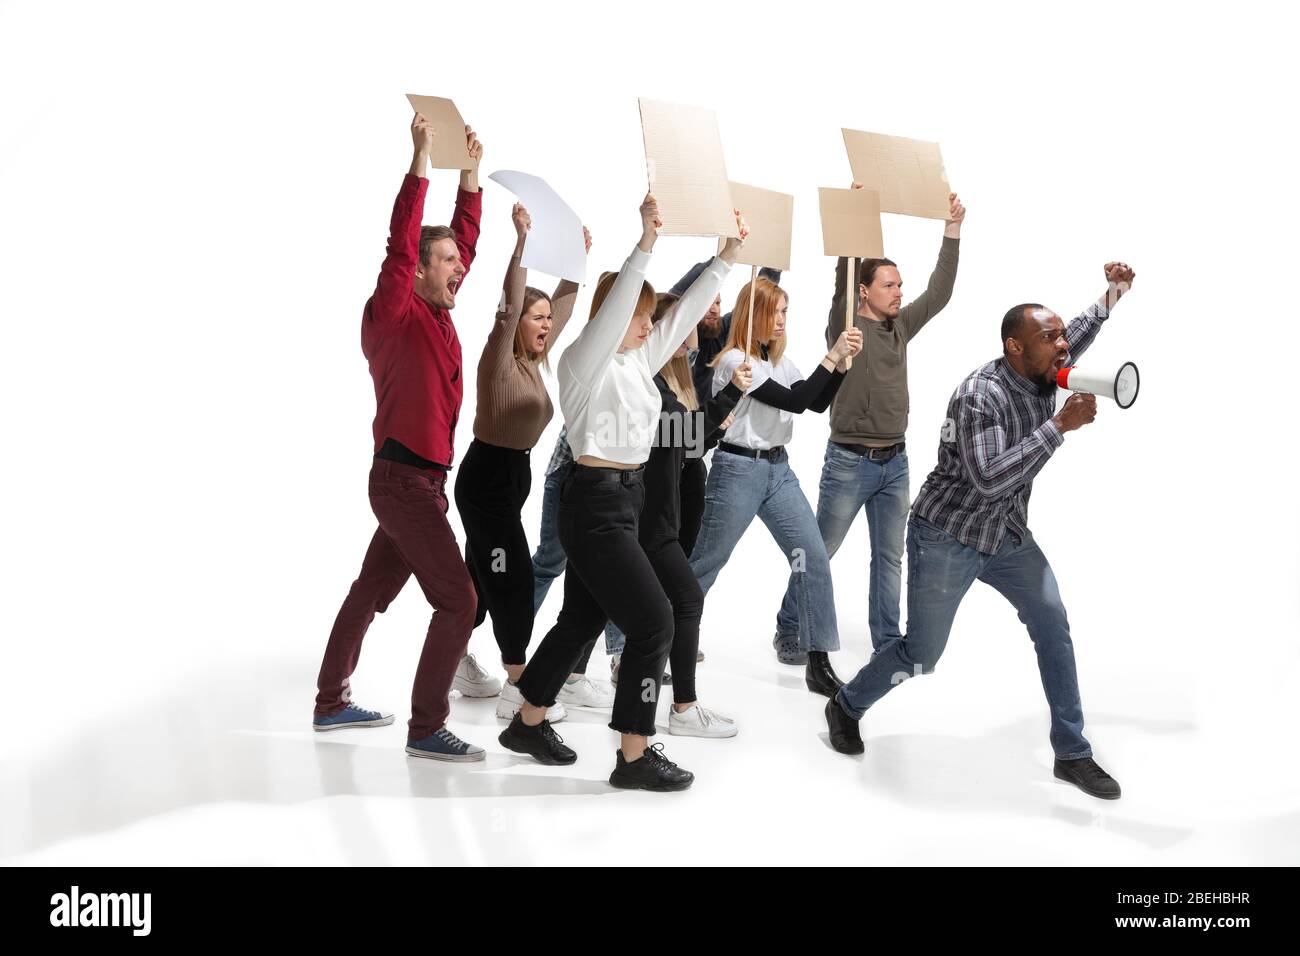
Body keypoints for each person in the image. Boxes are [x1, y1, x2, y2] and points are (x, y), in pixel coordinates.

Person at [824, 262, 1137, 801]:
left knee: (1052, 624)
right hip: (949, 534)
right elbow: (989, 480)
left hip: (1008, 534)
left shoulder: (1046, 367)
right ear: (1016, 348)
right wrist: (1058, 427)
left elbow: (1075, 338)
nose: (1063, 347)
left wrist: (1110, 297)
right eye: (1049, 338)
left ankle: (1072, 751)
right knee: (921, 655)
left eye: (1062, 335)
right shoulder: (980, 395)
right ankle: (847, 705)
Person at [499, 193, 745, 791]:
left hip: (626, 503)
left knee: (582, 618)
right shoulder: (586, 361)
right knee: (655, 621)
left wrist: (727, 257)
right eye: (637, 313)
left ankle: (528, 720)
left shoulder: (640, 359)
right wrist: (645, 242)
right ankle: (633, 755)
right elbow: (617, 316)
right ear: (615, 314)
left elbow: (682, 318)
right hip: (595, 503)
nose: (646, 322)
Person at [313, 113, 487, 762]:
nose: (457, 267)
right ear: (415, 271)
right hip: (403, 482)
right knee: (460, 599)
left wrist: (470, 172)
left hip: (419, 487)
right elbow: (401, 243)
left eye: (457, 262)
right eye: (442, 261)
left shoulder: (439, 314)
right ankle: (425, 728)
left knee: (369, 591)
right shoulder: (393, 314)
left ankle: (331, 702)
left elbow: (462, 238)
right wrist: (421, 160)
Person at [772, 187, 964, 667]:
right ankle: (788, 629)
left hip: (895, 463)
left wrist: (952, 231)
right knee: (818, 553)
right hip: (849, 463)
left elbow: (939, 292)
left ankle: (886, 640)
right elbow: (843, 283)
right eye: (889, 286)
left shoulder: (899, 327)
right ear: (865, 291)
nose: (899, 292)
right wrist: (853, 222)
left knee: (890, 557)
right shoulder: (846, 327)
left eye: (900, 285)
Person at [452, 203, 599, 718]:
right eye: (536, 319)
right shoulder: (499, 356)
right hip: (486, 482)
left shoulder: (534, 361)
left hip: (510, 482)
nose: (545, 325)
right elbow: (511, 307)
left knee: (479, 581)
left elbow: (562, 304)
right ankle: (518, 686)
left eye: (546, 320)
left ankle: (453, 655)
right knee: (513, 582)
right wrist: (521, 244)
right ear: (517, 323)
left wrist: (575, 261)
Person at [688, 278, 862, 698]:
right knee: (704, 564)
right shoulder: (735, 361)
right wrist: (831, 355)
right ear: (757, 314)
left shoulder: (780, 361)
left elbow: (813, 401)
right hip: (738, 470)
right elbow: (794, 402)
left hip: (779, 471)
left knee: (813, 556)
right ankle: (659, 644)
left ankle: (818, 661)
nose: (783, 320)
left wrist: (839, 369)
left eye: (786, 312)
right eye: (776, 312)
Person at [599, 292, 750, 736]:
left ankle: (548, 690)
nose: (695, 327)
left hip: (664, 515)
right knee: (686, 599)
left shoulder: (676, 381)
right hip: (647, 520)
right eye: (680, 321)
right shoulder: (653, 385)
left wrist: (719, 412)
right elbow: (684, 439)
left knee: (590, 611)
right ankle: (683, 709)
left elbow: (693, 443)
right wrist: (729, 399)